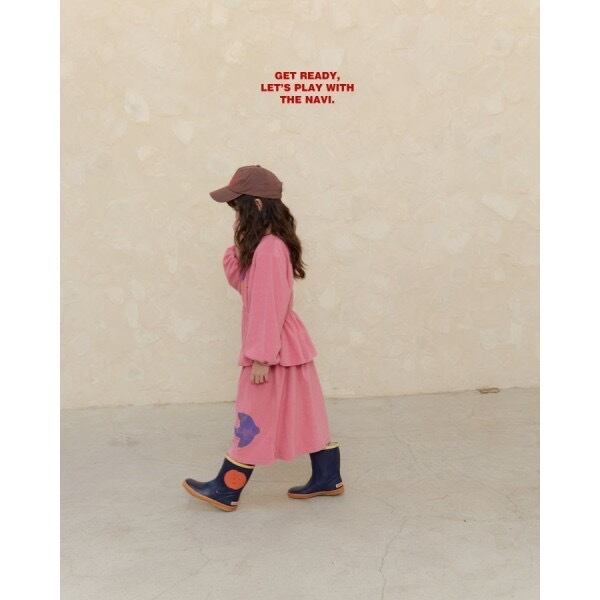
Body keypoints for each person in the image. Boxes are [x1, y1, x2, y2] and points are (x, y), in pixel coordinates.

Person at [182, 165, 344, 511]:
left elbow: (267, 307)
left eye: (237, 207)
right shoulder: (268, 247)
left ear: (255, 205)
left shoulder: (270, 249)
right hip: (288, 347)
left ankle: (226, 489)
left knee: (251, 416)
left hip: (273, 349)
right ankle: (328, 476)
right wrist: (239, 248)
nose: (235, 216)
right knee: (305, 411)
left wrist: (260, 357)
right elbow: (248, 288)